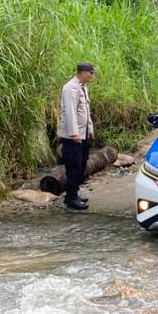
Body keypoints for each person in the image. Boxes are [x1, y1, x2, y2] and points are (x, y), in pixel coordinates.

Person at [58, 63, 96, 210]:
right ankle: (71, 198)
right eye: (91, 73)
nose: (93, 76)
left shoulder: (83, 86)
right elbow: (70, 112)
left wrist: (90, 129)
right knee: (73, 165)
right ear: (83, 73)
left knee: (82, 163)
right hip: (72, 135)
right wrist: (73, 133)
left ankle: (74, 193)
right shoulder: (71, 88)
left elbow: (85, 111)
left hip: (83, 133)